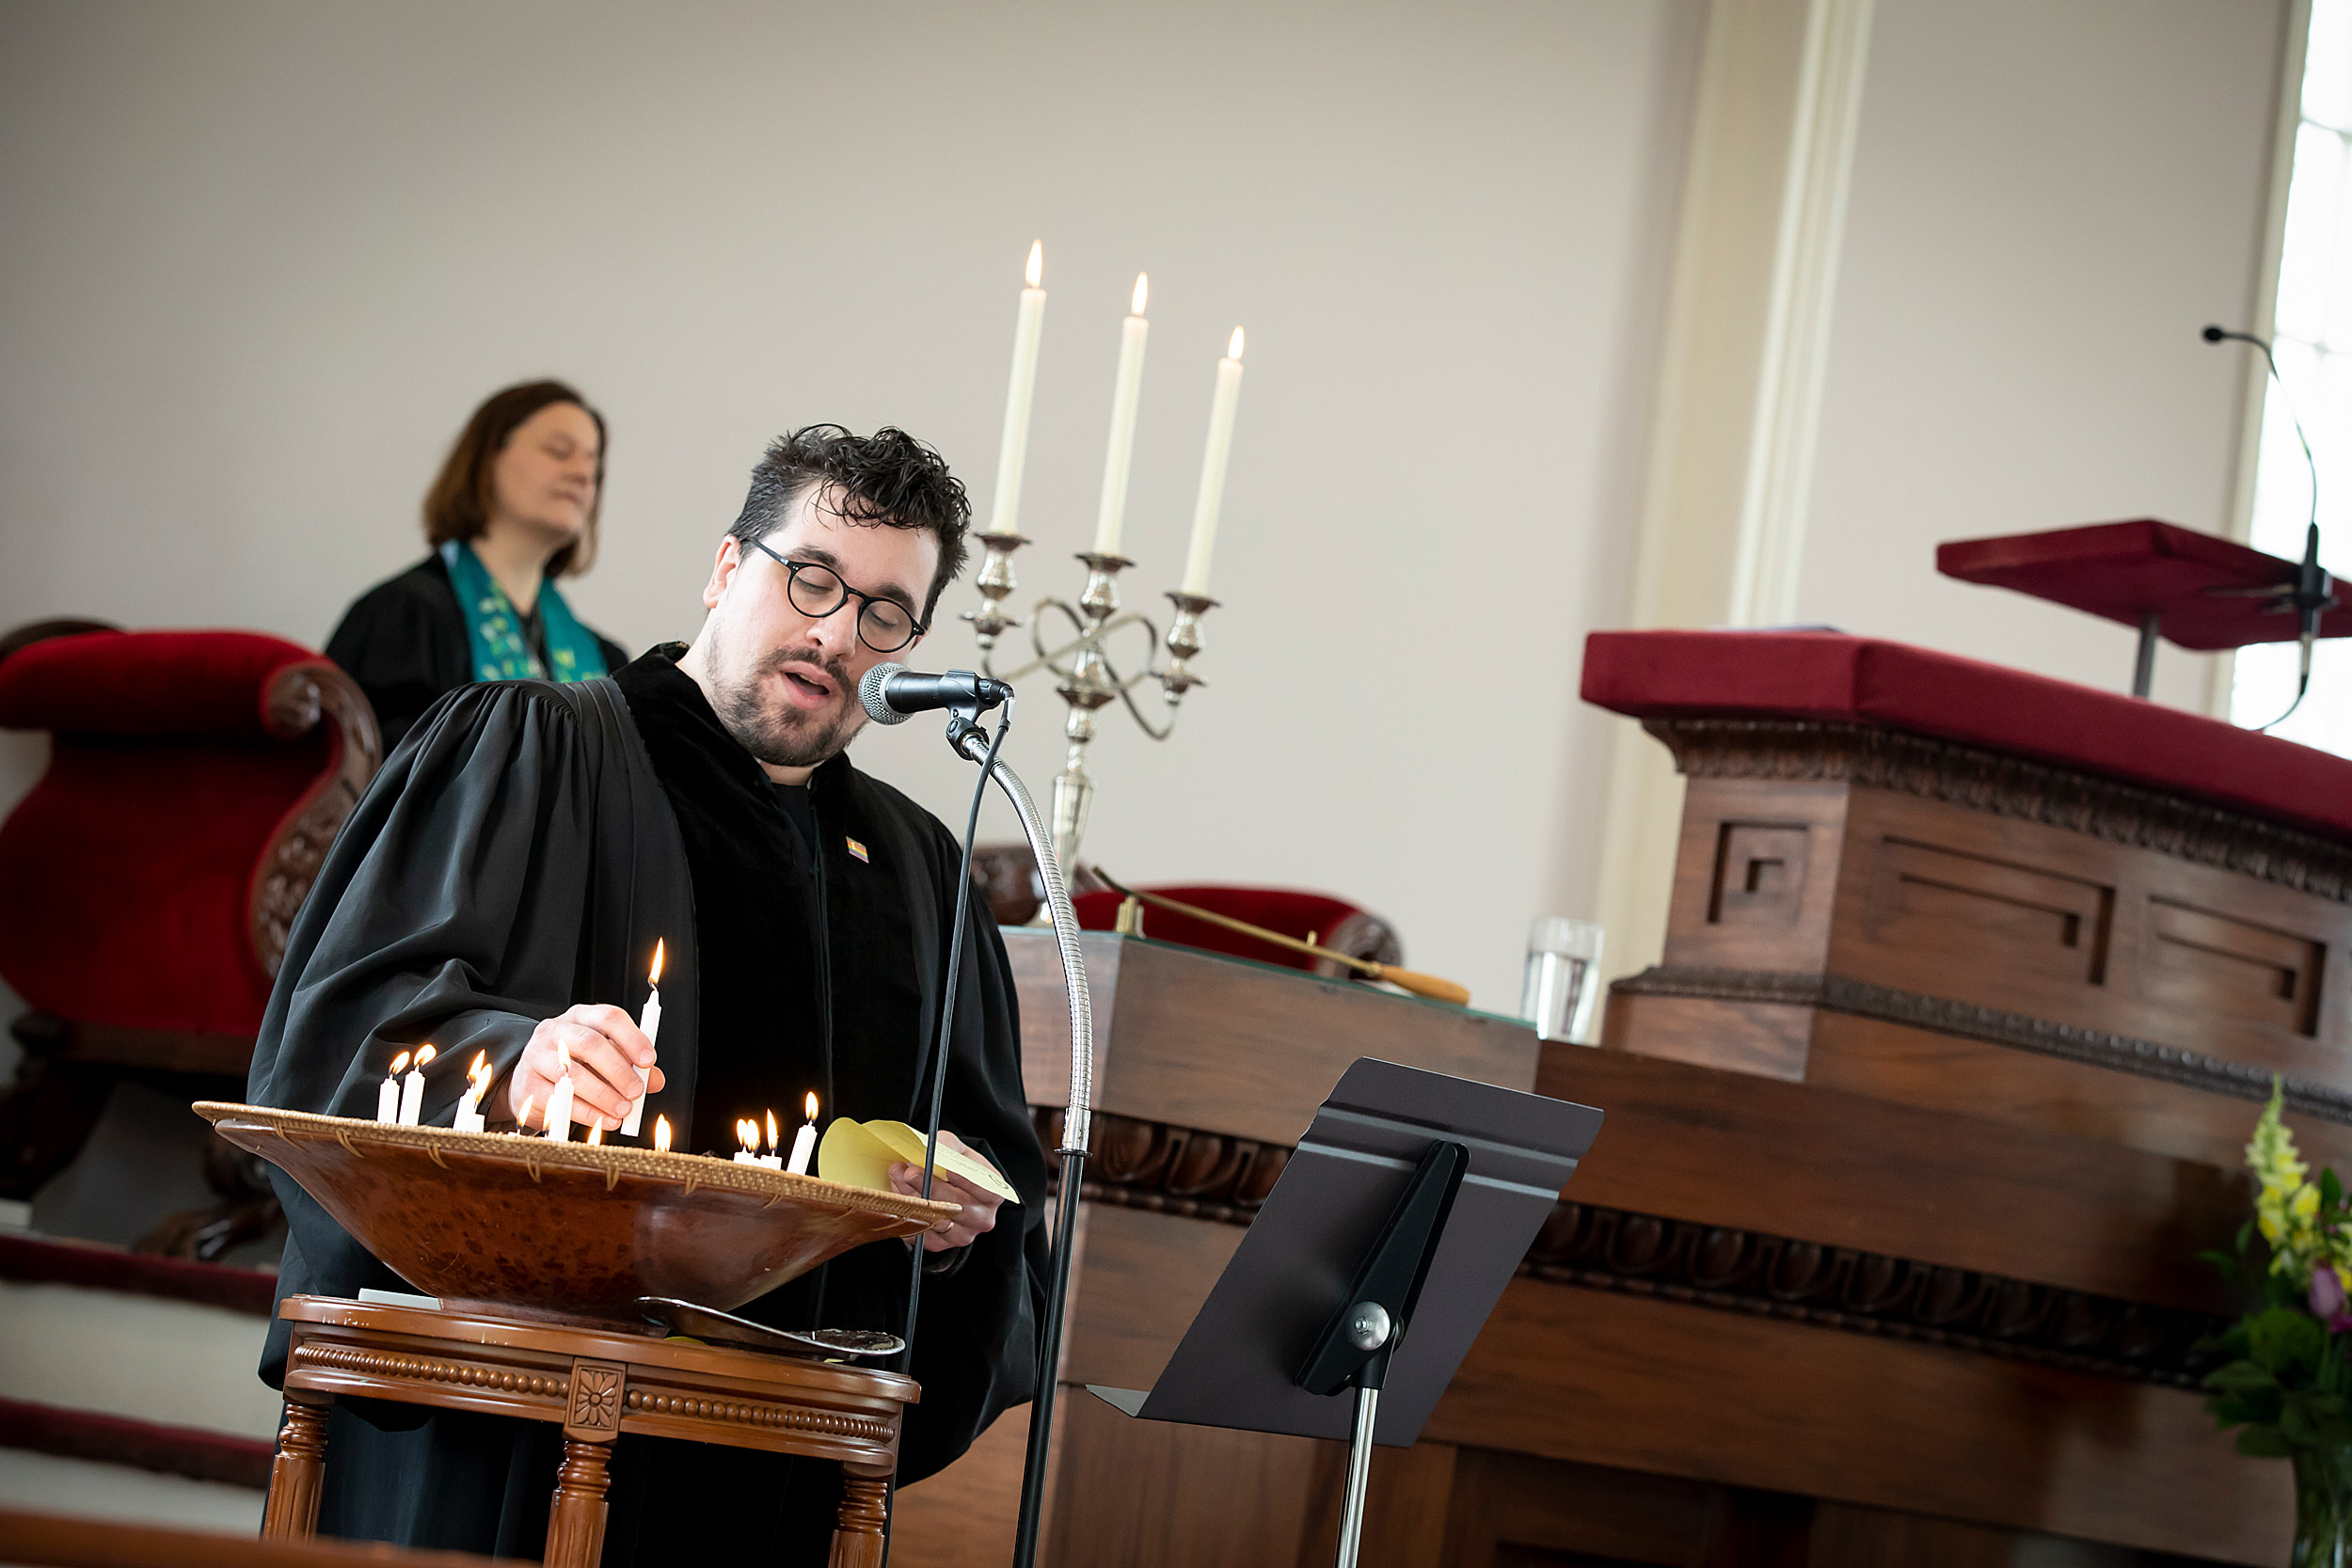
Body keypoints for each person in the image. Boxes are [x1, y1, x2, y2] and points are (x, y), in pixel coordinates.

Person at [248, 425, 1047, 1562]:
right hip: (513, 1438)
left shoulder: (920, 870)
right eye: (809, 576)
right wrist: (512, 1062)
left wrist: (953, 1224)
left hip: (767, 1462)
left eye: (883, 612)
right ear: (727, 567)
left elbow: (995, 1175)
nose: (835, 631)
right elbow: (332, 1035)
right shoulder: (528, 749)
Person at [327, 380, 631, 751]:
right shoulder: (405, 619)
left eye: (593, 463)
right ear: (487, 460)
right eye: (558, 451)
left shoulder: (605, 663)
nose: (582, 474)